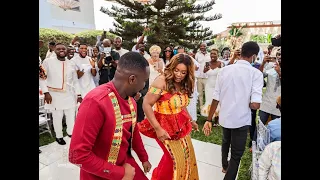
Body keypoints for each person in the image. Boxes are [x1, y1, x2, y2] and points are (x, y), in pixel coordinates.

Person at [69, 52, 151, 180]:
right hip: (97, 173)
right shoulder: (95, 102)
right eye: (144, 81)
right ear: (132, 79)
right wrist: (120, 173)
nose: (144, 86)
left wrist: (144, 158)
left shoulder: (131, 102)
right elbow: (77, 155)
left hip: (125, 164)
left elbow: (133, 133)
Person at [203, 41, 264, 180]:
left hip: (225, 116)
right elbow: (255, 104)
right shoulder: (256, 74)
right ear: (253, 56)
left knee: (225, 141)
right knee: (236, 155)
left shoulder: (225, 69)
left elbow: (215, 97)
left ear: (241, 52)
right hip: (241, 119)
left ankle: (224, 166)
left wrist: (209, 119)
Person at [139, 53, 200, 179]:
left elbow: (181, 105)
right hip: (163, 126)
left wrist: (190, 120)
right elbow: (146, 104)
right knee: (173, 159)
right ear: (171, 67)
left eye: (183, 72)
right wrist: (157, 128)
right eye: (176, 70)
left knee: (187, 157)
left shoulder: (184, 83)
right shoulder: (161, 81)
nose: (179, 75)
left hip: (181, 125)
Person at [39, 43, 82, 145]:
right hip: (54, 95)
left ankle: (71, 133)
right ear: (55, 50)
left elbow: (75, 80)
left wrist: (79, 94)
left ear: (66, 50)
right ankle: (59, 136)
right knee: (57, 117)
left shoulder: (71, 63)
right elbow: (41, 77)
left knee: (71, 115)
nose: (61, 50)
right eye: (59, 49)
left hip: (69, 95)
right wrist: (46, 92)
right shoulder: (48, 62)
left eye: (63, 48)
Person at [201, 48, 224, 127]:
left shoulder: (221, 64)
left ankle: (217, 120)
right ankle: (209, 118)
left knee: (217, 101)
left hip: (218, 85)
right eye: (211, 54)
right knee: (209, 101)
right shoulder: (207, 63)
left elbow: (224, 74)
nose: (213, 55)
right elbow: (204, 73)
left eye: (214, 54)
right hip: (209, 85)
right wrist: (205, 69)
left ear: (218, 55)